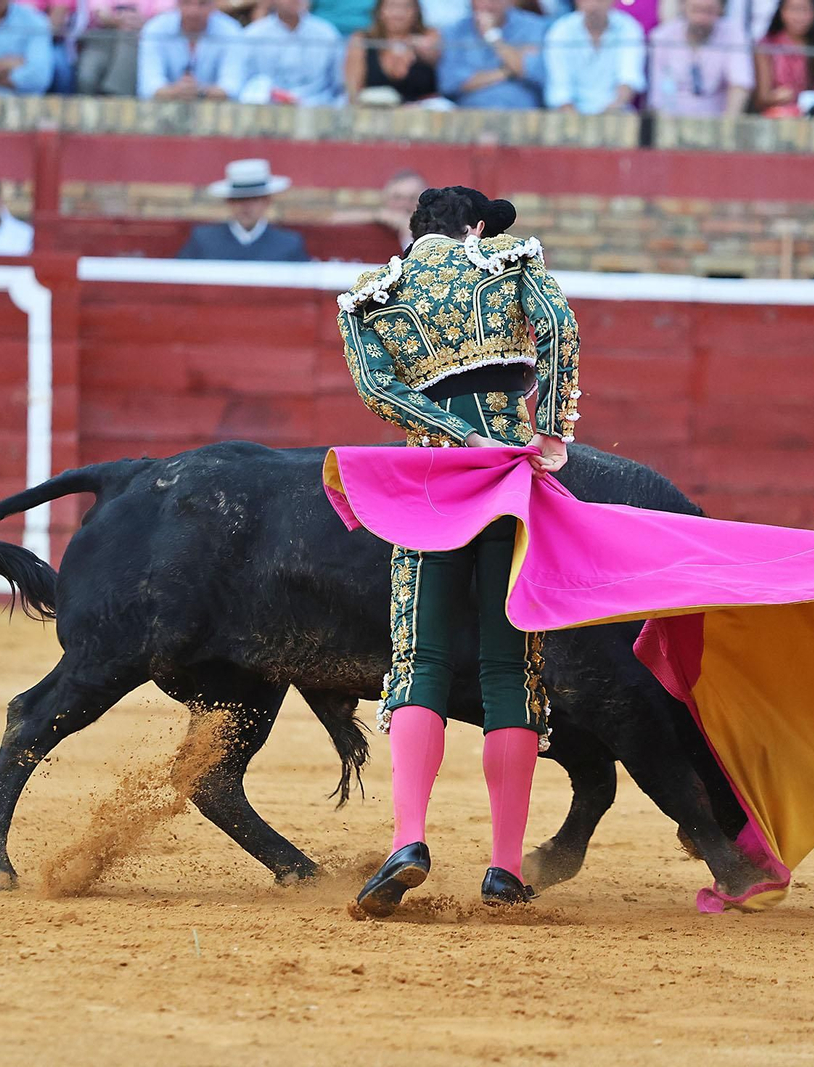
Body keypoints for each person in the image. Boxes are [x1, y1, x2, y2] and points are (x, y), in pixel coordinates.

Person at [336, 186, 580, 917]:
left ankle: (408, 841)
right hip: (511, 479)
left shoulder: (373, 296)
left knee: (420, 661)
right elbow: (558, 326)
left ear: (414, 233)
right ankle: (504, 867)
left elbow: (377, 386)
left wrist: (452, 434)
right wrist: (550, 428)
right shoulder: (505, 261)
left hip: (432, 485)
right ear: (474, 227)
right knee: (510, 667)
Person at [177, 159, 310, 262]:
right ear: (229, 201)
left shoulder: (288, 244)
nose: (246, 206)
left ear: (267, 201)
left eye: (254, 199)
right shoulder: (204, 240)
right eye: (240, 199)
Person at [647, 0, 754, 117]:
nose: (701, 18)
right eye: (696, 10)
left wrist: (728, 124)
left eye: (708, 11)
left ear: (720, 9)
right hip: (671, 119)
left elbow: (740, 84)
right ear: (683, 7)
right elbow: (657, 96)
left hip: (717, 120)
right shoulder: (662, 36)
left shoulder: (734, 35)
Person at [437, 0, 548, 109]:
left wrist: (493, 36)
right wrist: (507, 70)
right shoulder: (455, 31)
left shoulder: (533, 26)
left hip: (523, 111)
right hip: (473, 111)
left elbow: (528, 71)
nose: (487, 4)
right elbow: (451, 84)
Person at [543, 0, 648, 113]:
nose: (592, 6)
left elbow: (629, 79)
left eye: (599, 1)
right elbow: (560, 90)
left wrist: (613, 109)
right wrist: (575, 120)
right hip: (569, 114)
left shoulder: (629, 28)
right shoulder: (560, 31)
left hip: (617, 113)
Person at [238, 0, 347, 104]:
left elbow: (339, 86)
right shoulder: (253, 34)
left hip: (318, 108)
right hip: (266, 109)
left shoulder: (327, 33)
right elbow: (242, 83)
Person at [136, 0, 246, 100]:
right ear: (177, 4)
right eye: (187, 2)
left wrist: (199, 92)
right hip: (162, 110)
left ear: (214, 5)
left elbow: (232, 88)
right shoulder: (155, 28)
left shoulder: (231, 30)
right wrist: (176, 92)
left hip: (215, 110)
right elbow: (148, 87)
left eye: (202, 3)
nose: (194, 11)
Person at [344, 0, 443, 104]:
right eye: (391, 6)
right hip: (374, 110)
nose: (398, 13)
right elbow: (353, 92)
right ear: (379, 10)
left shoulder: (429, 36)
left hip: (424, 110)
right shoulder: (363, 40)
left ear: (417, 11)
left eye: (406, 7)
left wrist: (419, 47)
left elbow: (435, 59)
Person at [752, 0, 814, 114]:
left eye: (804, 10)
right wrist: (776, 97)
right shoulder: (767, 46)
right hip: (777, 115)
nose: (799, 16)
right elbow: (761, 98)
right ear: (781, 12)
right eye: (793, 9)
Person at [78, 0, 171, 95]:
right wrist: (115, 20)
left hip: (140, 38)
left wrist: (144, 23)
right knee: (87, 78)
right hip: (101, 37)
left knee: (128, 44)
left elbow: (165, 15)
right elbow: (99, 11)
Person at [331, 169, 428, 248]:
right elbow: (334, 220)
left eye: (412, 198)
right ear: (386, 199)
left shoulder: (433, 230)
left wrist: (409, 228)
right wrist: (377, 216)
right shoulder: (378, 217)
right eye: (397, 197)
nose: (404, 204)